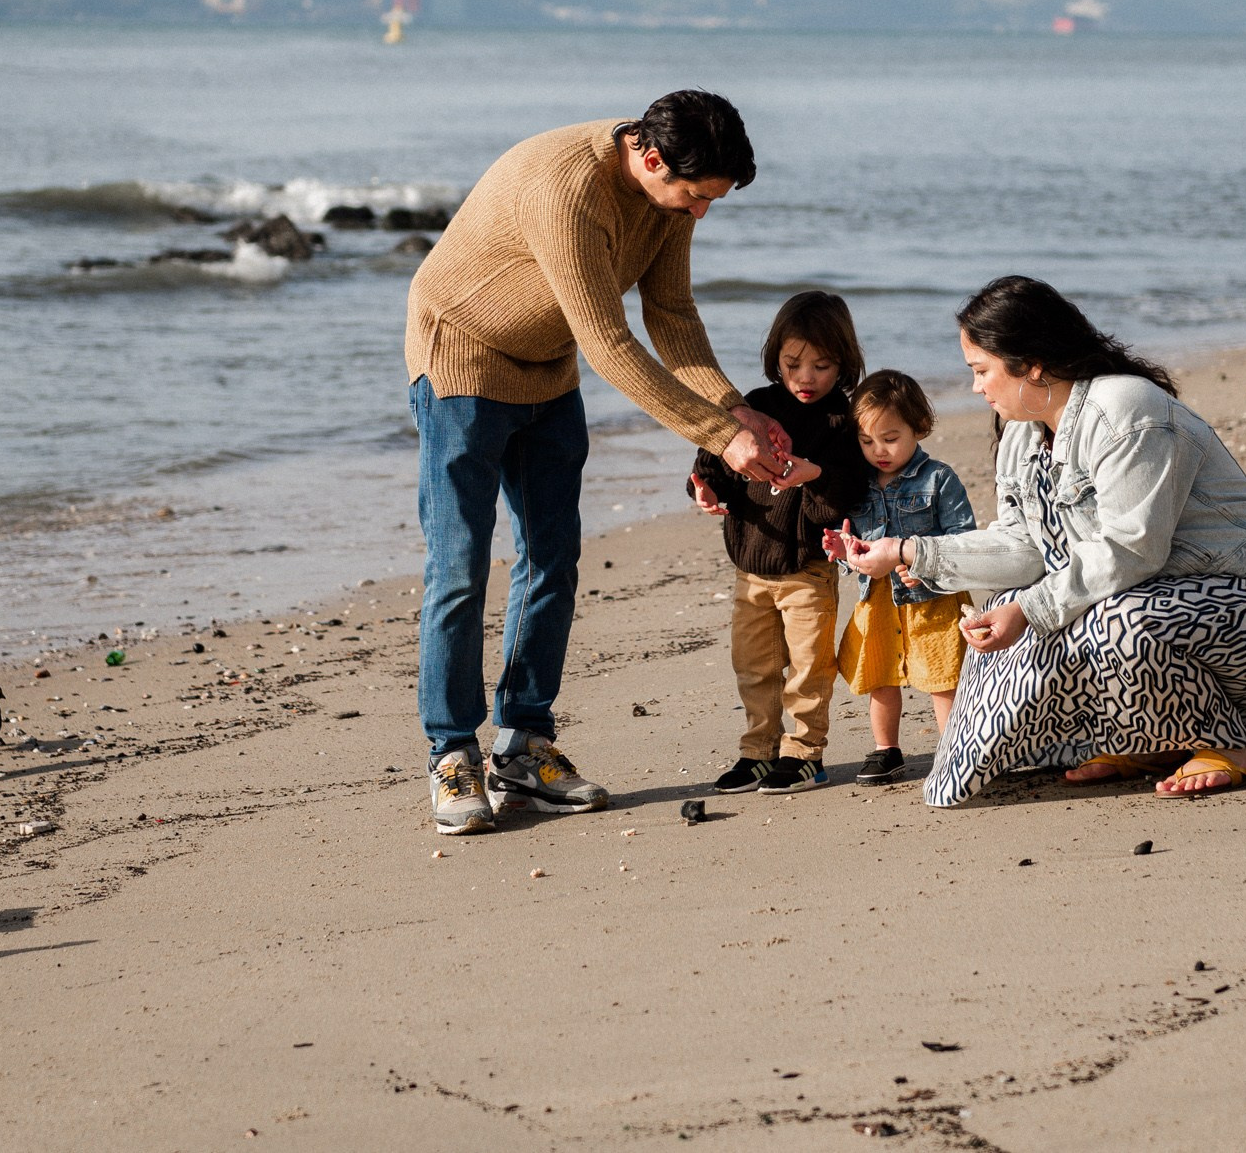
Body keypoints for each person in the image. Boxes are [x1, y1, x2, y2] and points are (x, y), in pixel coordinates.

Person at [407, 90, 795, 835]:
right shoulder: (567, 187)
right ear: (648, 158)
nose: (700, 212)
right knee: (459, 565)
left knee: (552, 557)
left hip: (546, 368)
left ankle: (523, 743)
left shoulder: (669, 201)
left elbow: (672, 315)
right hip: (459, 357)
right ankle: (451, 752)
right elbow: (610, 343)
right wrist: (717, 436)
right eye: (695, 194)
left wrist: (735, 407)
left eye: (712, 200)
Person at [824, 276, 1246, 807]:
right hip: (1166, 596)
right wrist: (910, 553)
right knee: (1018, 620)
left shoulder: (1126, 411)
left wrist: (1031, 608)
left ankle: (1229, 746)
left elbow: (1132, 548)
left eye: (981, 371)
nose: (975, 388)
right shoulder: (1023, 428)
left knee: (1108, 622)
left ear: (1034, 364)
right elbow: (1024, 548)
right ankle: (1157, 740)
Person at [688, 290, 869, 794]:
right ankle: (757, 753)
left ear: (844, 364)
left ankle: (805, 753)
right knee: (754, 666)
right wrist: (704, 490)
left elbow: (847, 494)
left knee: (809, 668)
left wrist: (813, 475)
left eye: (822, 365)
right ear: (776, 358)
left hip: (809, 568)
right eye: (793, 363)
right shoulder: (754, 407)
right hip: (751, 567)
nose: (806, 377)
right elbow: (714, 460)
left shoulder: (843, 422)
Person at [829, 370, 977, 787]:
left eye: (890, 439)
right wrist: (844, 554)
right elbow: (856, 550)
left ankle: (953, 750)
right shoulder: (857, 486)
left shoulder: (938, 478)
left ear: (919, 427)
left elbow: (963, 539)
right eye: (867, 441)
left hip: (934, 601)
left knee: (944, 679)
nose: (879, 451)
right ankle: (886, 749)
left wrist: (924, 568)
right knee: (880, 676)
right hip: (877, 600)